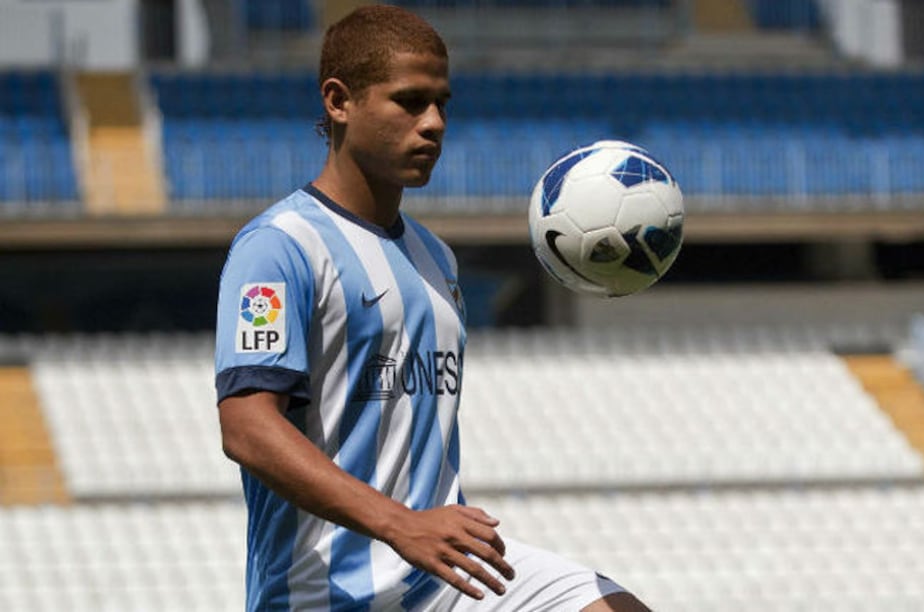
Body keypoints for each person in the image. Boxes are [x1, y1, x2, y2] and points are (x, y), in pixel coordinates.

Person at [214, 4, 652, 611]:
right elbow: (246, 428)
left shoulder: (436, 258)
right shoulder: (279, 247)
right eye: (410, 102)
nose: (434, 123)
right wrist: (399, 523)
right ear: (339, 101)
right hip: (324, 592)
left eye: (443, 103)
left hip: (443, 576)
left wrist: (420, 526)